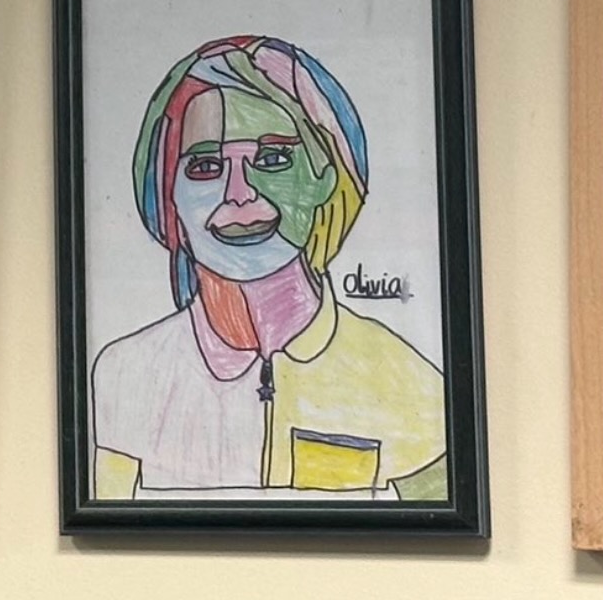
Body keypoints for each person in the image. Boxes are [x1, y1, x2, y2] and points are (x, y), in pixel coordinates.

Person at [91, 37, 446, 499]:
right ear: (168, 194)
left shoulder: (407, 384)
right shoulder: (125, 377)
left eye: (273, 159)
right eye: (205, 166)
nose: (239, 194)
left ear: (324, 178)